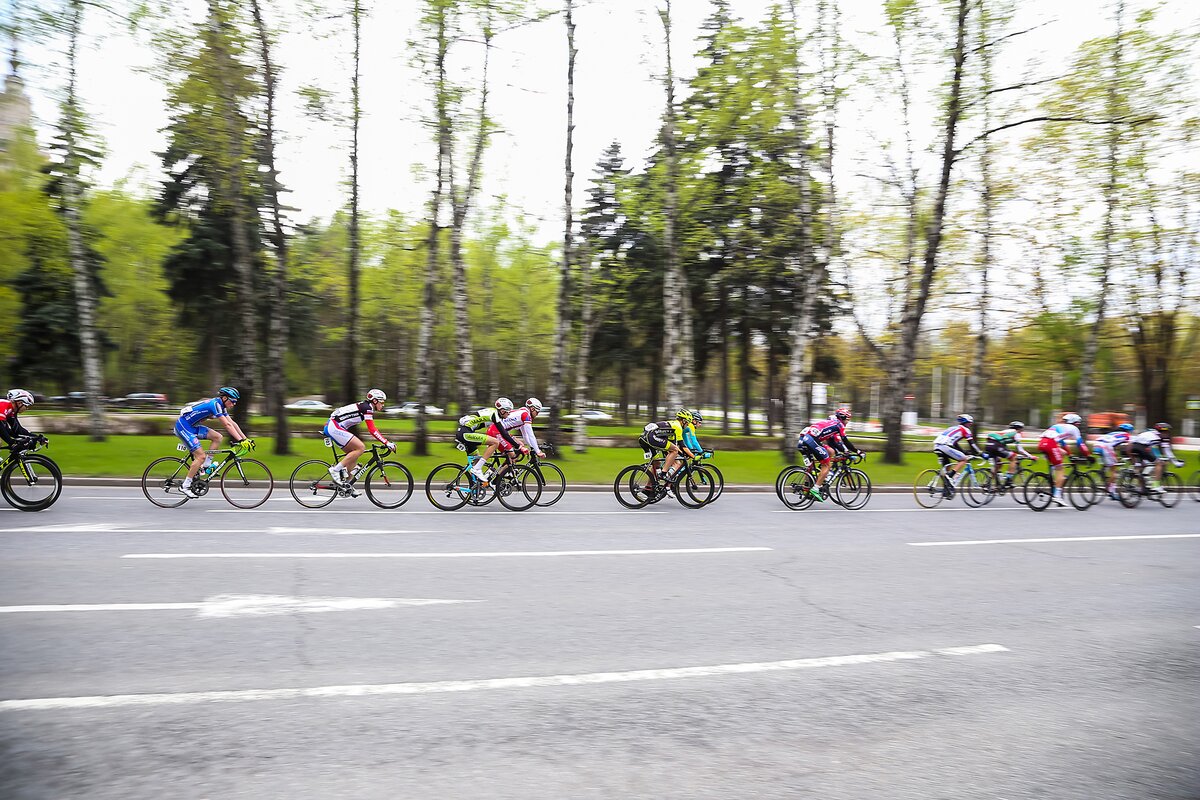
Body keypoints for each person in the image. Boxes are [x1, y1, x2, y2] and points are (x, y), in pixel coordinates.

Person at [175, 387, 254, 498]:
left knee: (218, 437)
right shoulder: (215, 405)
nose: (234, 404)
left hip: (192, 426)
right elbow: (227, 425)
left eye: (235, 402)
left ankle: (206, 466)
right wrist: (240, 440)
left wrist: (245, 439)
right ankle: (185, 485)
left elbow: (232, 423)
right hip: (184, 427)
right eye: (233, 401)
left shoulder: (221, 405)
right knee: (201, 456)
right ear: (225, 398)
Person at [324, 389, 395, 488]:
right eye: (382, 402)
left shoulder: (365, 406)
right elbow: (372, 430)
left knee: (353, 454)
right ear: (375, 401)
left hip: (333, 426)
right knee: (361, 447)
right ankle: (335, 470)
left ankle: (347, 486)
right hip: (334, 427)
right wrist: (386, 442)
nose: (383, 405)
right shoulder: (367, 408)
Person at [470, 397, 546, 484]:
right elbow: (531, 435)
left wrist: (532, 448)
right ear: (532, 409)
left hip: (500, 431)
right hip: (496, 431)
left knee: (519, 446)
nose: (537, 414)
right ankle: (497, 480)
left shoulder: (523, 413)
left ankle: (506, 472)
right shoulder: (526, 415)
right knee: (512, 454)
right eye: (537, 412)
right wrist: (538, 451)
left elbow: (526, 435)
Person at [797, 408, 861, 502]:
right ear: (843, 418)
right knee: (827, 465)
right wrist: (857, 451)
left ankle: (808, 485)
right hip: (811, 440)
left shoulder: (831, 423)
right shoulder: (839, 425)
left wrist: (845, 451)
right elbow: (844, 441)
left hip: (803, 440)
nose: (848, 422)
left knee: (830, 452)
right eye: (848, 419)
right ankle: (816, 488)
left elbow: (833, 443)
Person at [1037, 412, 1092, 507]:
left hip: (1042, 443)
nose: (1078, 425)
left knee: (1063, 453)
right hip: (1050, 444)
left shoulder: (1059, 426)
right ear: (1074, 422)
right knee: (1060, 469)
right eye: (1078, 423)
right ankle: (1057, 496)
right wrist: (1088, 455)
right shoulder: (1074, 428)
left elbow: (1062, 443)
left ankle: (1053, 480)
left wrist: (1070, 455)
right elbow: (1080, 444)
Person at [638, 409, 699, 490]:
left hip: (643, 438)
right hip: (651, 437)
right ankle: (663, 473)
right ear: (684, 421)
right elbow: (682, 445)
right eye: (687, 423)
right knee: (675, 450)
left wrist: (683, 453)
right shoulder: (678, 427)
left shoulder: (672, 425)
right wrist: (693, 456)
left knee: (657, 463)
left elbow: (672, 444)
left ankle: (648, 488)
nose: (687, 425)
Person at [456, 398, 521, 472]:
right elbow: (504, 434)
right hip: (465, 433)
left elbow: (499, 432)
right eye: (508, 410)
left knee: (477, 461)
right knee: (495, 442)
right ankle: (477, 469)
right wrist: (517, 446)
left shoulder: (493, 413)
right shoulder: (494, 415)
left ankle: (475, 477)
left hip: (464, 431)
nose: (509, 413)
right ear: (502, 410)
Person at [932, 414, 983, 497]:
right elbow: (972, 444)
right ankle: (950, 476)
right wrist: (981, 453)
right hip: (945, 447)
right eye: (970, 423)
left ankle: (946, 490)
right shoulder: (965, 430)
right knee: (964, 459)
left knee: (947, 466)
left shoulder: (953, 428)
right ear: (966, 422)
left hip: (936, 446)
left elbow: (955, 443)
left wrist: (963, 451)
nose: (970, 425)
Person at [1129, 422, 1184, 494]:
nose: (1167, 433)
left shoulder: (1151, 433)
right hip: (1142, 447)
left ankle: (1139, 486)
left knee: (1142, 466)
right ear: (1165, 431)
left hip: (1133, 446)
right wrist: (1175, 462)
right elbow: (1165, 451)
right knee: (1159, 463)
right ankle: (1156, 486)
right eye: (1167, 431)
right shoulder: (1159, 437)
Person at [984, 421, 1037, 486]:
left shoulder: (1007, 431)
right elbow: (1020, 449)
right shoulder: (1016, 433)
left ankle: (988, 483)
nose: (1022, 430)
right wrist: (1030, 456)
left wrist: (1009, 451)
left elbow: (1003, 444)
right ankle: (1008, 480)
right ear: (1019, 428)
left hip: (989, 444)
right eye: (1022, 429)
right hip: (996, 445)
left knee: (998, 464)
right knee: (1014, 458)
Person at [1095, 423, 1134, 499]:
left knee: (1109, 463)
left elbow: (1115, 446)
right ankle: (1111, 491)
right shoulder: (1126, 435)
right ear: (1129, 430)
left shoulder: (1112, 433)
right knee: (1114, 470)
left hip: (1097, 445)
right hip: (1106, 447)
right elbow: (1128, 448)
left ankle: (1103, 475)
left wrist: (1116, 457)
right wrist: (1131, 457)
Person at [0, 389, 44, 453]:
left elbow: (17, 430)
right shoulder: (3, 404)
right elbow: (1, 427)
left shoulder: (11, 411)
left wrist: (36, 437)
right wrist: (11, 443)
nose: (27, 408)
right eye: (26, 406)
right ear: (19, 403)